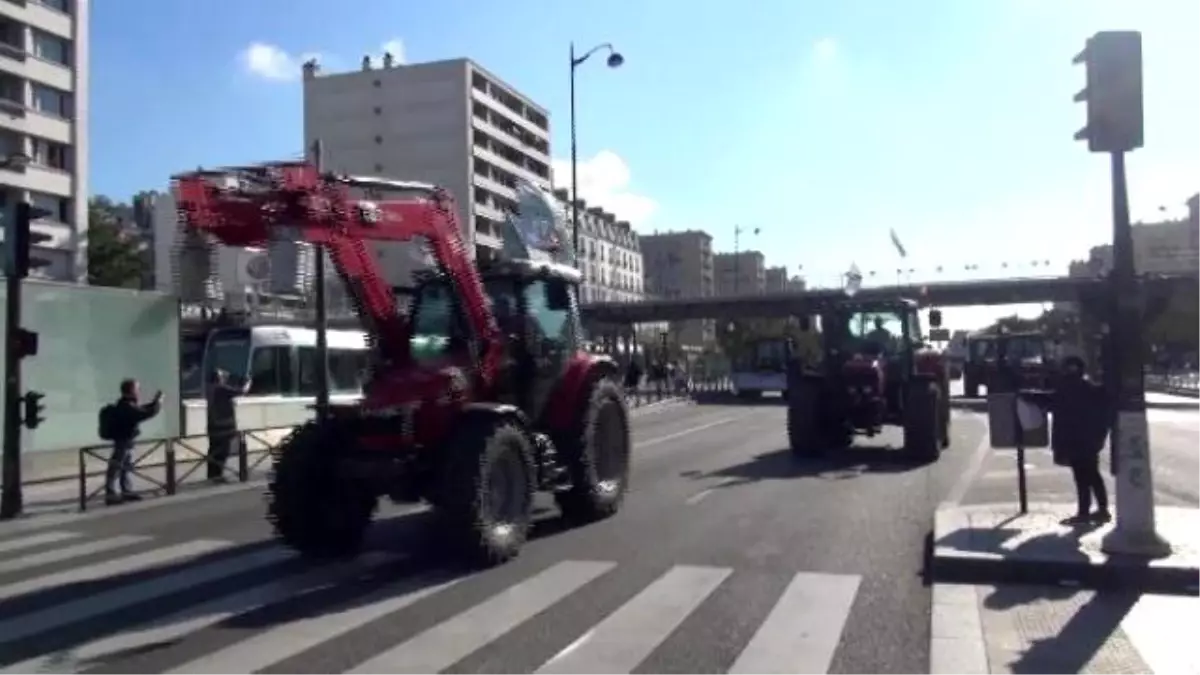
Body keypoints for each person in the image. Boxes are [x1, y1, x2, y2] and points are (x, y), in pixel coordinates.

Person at [1023, 356, 1111, 525]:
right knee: (1093, 475)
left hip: (1075, 440)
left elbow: (1049, 401)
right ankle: (1101, 510)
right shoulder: (1089, 388)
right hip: (1089, 440)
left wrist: (1029, 395)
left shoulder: (1066, 389)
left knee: (1082, 477)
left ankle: (1085, 513)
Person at [106, 379, 162, 506]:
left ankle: (126, 491)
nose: (139, 392)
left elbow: (142, 409)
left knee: (126, 467)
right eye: (137, 389)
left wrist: (155, 402)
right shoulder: (126, 406)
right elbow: (144, 413)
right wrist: (158, 403)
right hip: (123, 441)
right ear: (131, 391)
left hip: (127, 441)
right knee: (116, 467)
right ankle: (111, 494)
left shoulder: (127, 404)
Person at [206, 369, 249, 483]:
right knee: (221, 453)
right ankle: (217, 476)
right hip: (222, 427)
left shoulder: (210, 389)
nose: (224, 377)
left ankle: (212, 475)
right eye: (222, 376)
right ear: (218, 378)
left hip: (214, 426)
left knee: (213, 451)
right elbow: (241, 391)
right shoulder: (220, 389)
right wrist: (248, 383)